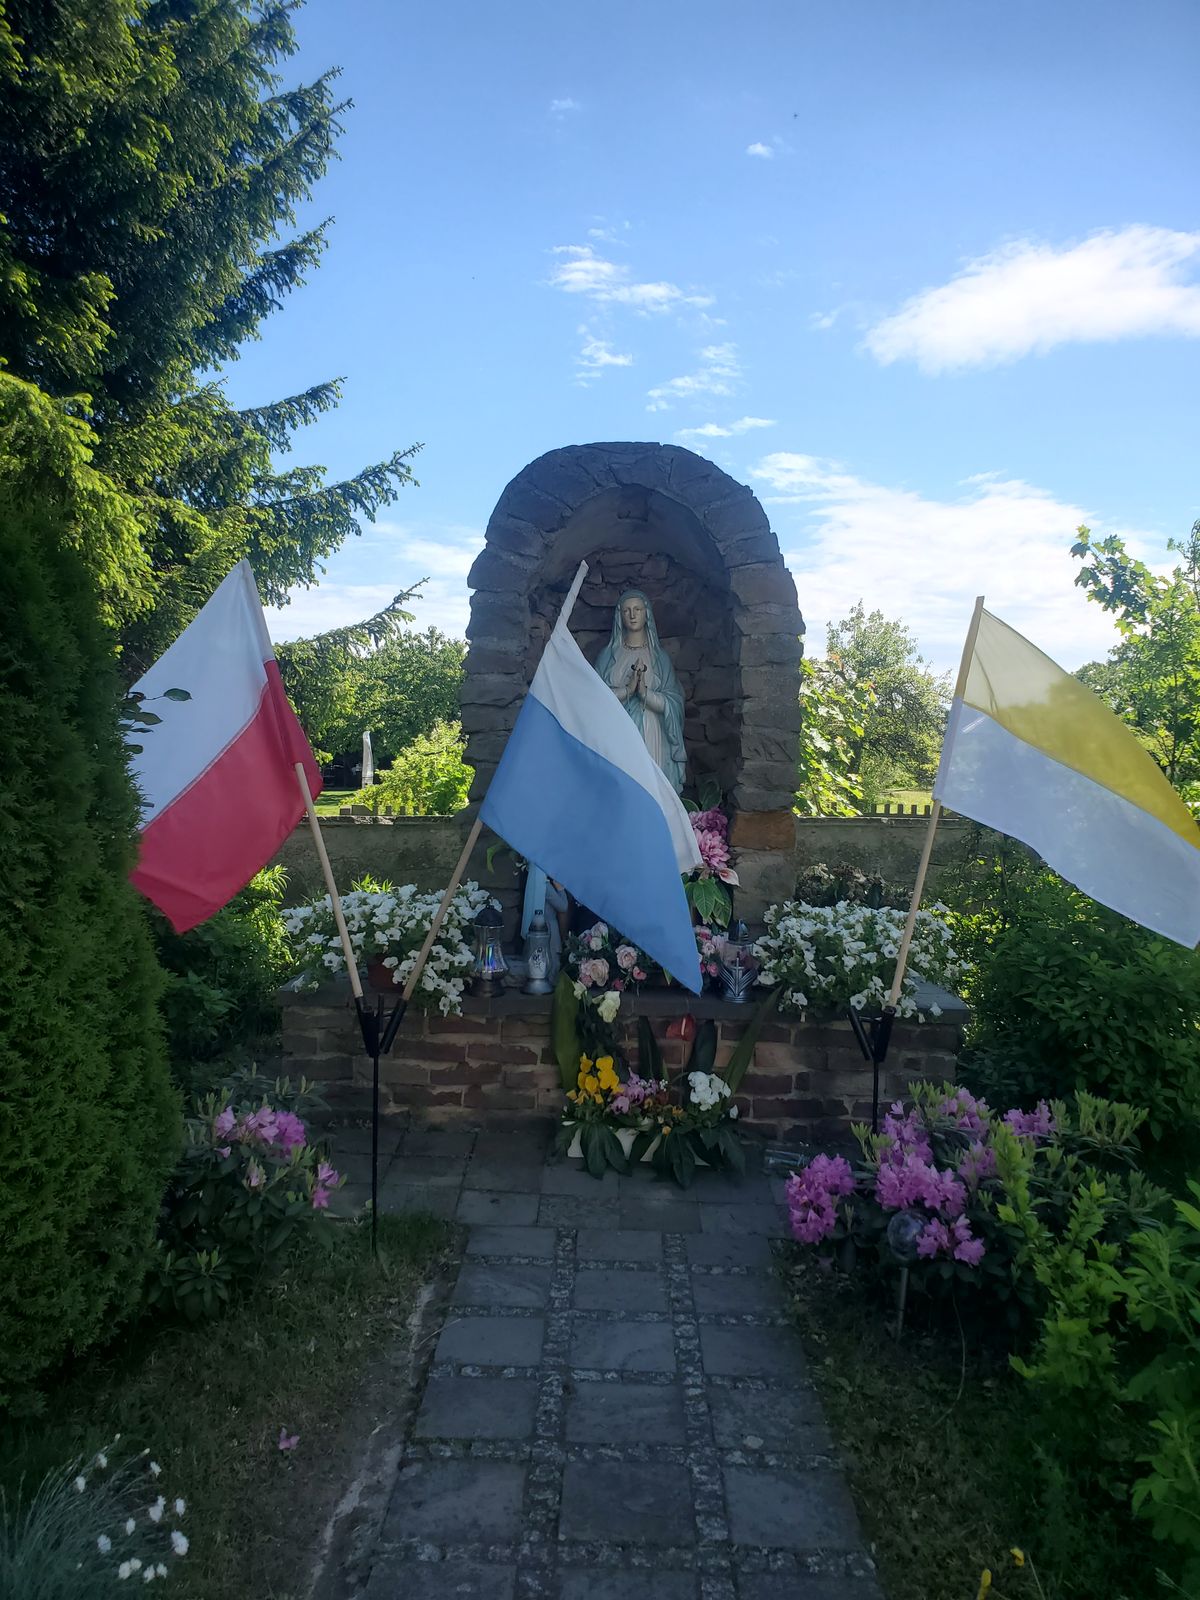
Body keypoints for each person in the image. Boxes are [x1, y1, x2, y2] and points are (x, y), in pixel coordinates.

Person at [593, 589, 687, 793]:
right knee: (621, 787)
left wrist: (645, 694)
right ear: (620, 615)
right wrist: (627, 690)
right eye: (626, 610)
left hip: (652, 731)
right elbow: (594, 699)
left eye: (637, 609)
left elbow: (674, 701)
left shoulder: (659, 658)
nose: (632, 615)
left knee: (650, 788)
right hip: (616, 731)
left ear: (647, 614)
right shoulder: (607, 657)